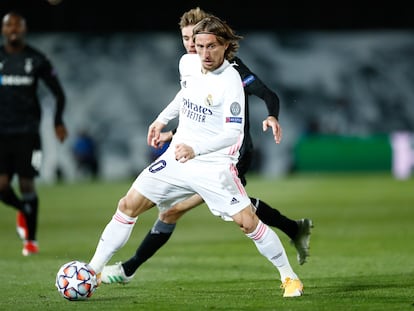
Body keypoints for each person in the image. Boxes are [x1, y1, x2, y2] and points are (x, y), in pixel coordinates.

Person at [88, 15, 303, 298]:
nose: (203, 53)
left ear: (225, 45)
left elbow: (232, 135)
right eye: (198, 46)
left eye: (211, 46)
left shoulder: (231, 83)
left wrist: (195, 149)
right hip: (177, 160)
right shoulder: (187, 63)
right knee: (127, 205)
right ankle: (92, 271)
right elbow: (185, 95)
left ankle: (289, 278)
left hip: (213, 165)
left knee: (248, 223)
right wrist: (161, 120)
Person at [0, 12, 68, 256]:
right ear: (3, 29)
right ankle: (22, 209)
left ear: (25, 29)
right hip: (2, 134)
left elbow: (58, 93)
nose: (13, 29)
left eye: (18, 24)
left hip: (28, 133)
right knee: (3, 187)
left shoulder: (37, 59)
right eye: (9, 25)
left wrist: (58, 121)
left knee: (27, 183)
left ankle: (31, 240)